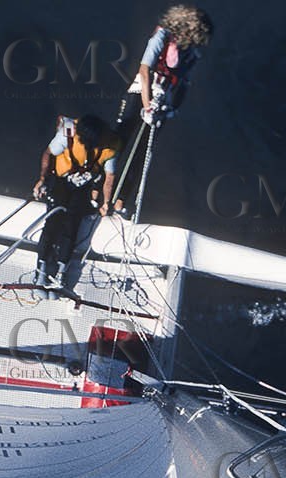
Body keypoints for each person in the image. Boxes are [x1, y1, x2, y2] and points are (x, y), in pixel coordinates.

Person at [112, 5, 213, 205]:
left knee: (144, 151)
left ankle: (121, 200)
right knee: (118, 141)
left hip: (161, 104)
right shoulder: (161, 38)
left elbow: (184, 84)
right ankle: (98, 190)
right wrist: (146, 105)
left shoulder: (192, 54)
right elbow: (144, 71)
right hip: (140, 94)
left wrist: (172, 109)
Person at [32, 114, 122, 289]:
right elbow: (48, 153)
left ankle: (61, 270)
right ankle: (41, 267)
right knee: (52, 223)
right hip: (61, 180)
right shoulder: (68, 132)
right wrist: (42, 178)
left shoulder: (111, 145)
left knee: (72, 226)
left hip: (82, 187)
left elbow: (109, 177)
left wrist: (106, 202)